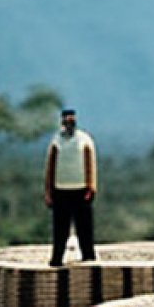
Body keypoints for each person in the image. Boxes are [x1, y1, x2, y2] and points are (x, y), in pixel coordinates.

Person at [43, 107, 98, 266]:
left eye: (71, 119)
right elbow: (50, 167)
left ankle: (88, 256)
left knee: (84, 227)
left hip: (81, 190)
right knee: (60, 228)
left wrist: (91, 186)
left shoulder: (84, 140)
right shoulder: (56, 141)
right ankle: (57, 258)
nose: (69, 122)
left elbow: (90, 163)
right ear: (62, 121)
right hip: (60, 190)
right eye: (66, 119)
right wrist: (48, 191)